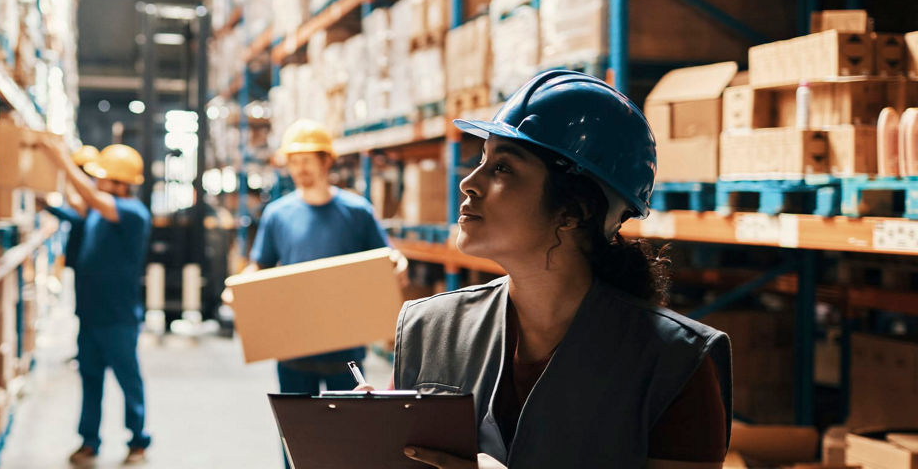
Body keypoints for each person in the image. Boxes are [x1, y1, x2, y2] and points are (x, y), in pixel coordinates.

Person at [373, 71, 732, 469]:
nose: (469, 183)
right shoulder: (430, 330)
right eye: (481, 161)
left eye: (503, 169)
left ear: (573, 210)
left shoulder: (675, 365)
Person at [238, 119, 408, 396]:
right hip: (292, 344)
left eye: (307, 160)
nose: (300, 168)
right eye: (294, 161)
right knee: (297, 432)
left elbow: (384, 258)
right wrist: (241, 286)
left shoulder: (357, 212)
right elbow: (261, 264)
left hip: (345, 347)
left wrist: (397, 262)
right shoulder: (277, 214)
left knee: (344, 432)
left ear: (327, 161)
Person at [37, 141, 153, 467]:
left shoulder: (131, 213)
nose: (95, 182)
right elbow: (78, 206)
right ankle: (89, 442)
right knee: (90, 380)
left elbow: (88, 198)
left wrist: (60, 159)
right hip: (90, 315)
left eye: (101, 177)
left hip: (118, 318)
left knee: (128, 380)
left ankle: (138, 440)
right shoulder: (100, 212)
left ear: (119, 182)